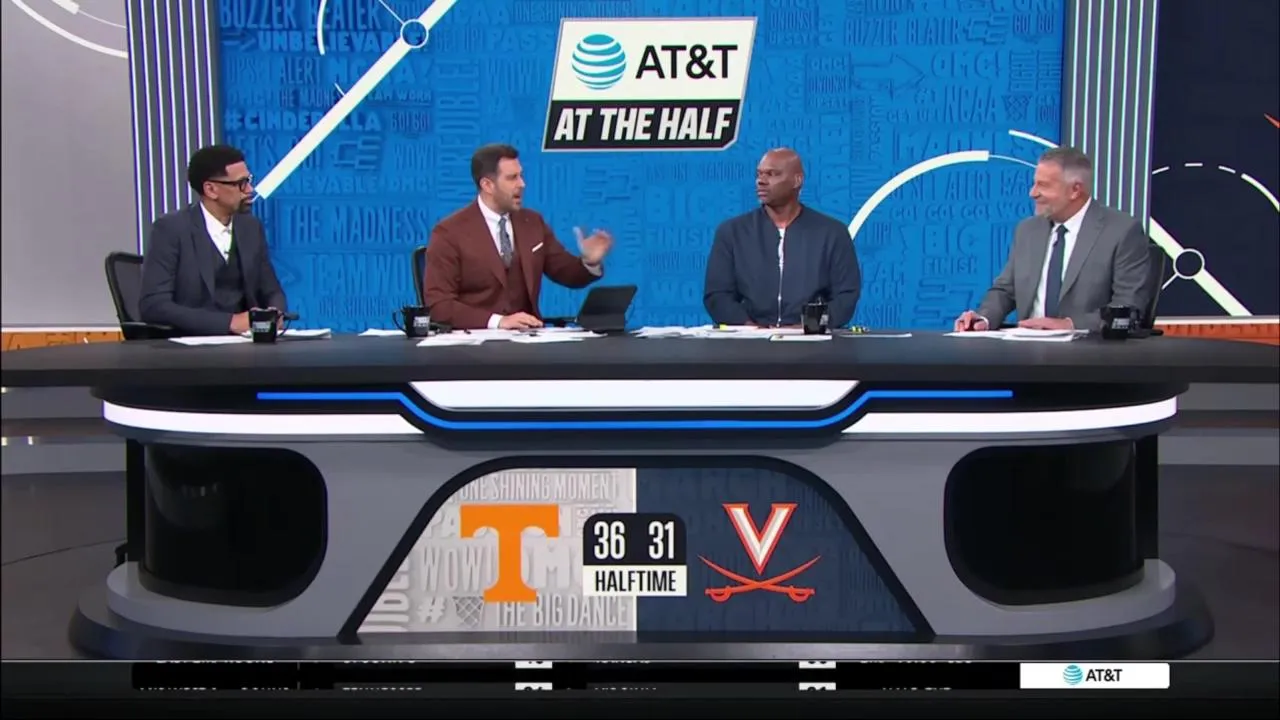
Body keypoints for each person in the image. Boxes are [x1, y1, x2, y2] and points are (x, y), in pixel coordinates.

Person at [954, 146, 1150, 333]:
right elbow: (1006, 290)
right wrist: (984, 318)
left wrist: (1070, 325)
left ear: (1075, 190)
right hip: (1026, 348)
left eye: (1044, 185)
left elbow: (1129, 307)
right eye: (1035, 183)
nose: (1033, 193)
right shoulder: (1027, 230)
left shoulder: (1121, 231)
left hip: (1088, 350)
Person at [423, 144, 613, 330]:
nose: (522, 184)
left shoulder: (532, 222)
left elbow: (566, 273)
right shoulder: (449, 233)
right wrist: (498, 322)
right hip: (474, 343)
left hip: (528, 341)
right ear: (487, 185)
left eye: (521, 175)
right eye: (512, 178)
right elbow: (439, 305)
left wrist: (590, 261)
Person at [703, 148, 861, 327]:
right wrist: (749, 329)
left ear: (797, 180)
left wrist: (807, 327)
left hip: (811, 339)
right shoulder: (732, 232)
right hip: (749, 339)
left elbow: (845, 297)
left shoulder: (832, 233)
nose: (761, 181)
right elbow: (717, 295)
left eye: (772, 174)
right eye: (759, 174)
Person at [138, 145, 287, 336]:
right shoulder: (171, 229)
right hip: (191, 345)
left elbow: (272, 290)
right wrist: (230, 322)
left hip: (246, 344)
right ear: (211, 189)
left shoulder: (250, 228)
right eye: (241, 183)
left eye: (249, 181)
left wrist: (275, 313)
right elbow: (153, 305)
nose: (250, 190)